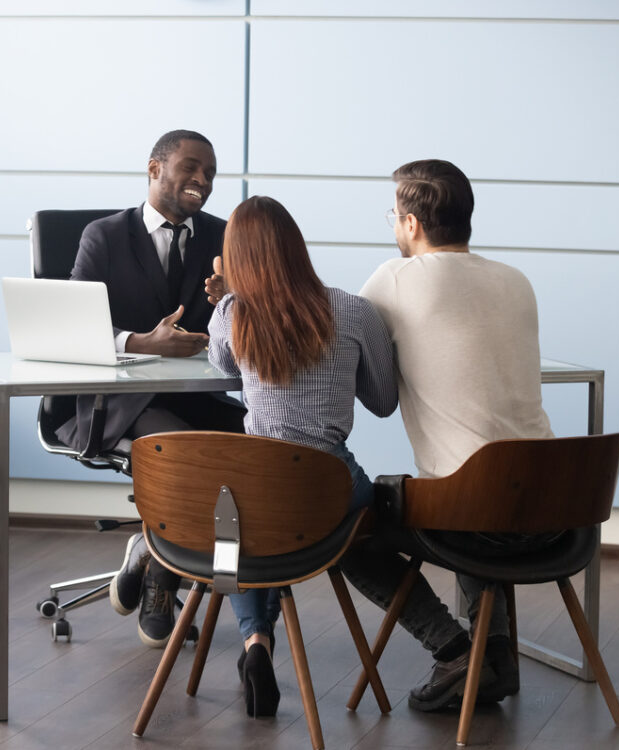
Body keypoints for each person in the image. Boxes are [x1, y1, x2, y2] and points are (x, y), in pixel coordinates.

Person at [341, 158, 555, 712]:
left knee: (344, 526)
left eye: (394, 215)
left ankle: (454, 648)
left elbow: (373, 390)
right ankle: (496, 656)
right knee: (475, 476)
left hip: (476, 518)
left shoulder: (393, 278)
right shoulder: (516, 279)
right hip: (555, 508)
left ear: (410, 224)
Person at [207, 195, 398, 717]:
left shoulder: (231, 314)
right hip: (330, 487)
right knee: (291, 522)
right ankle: (261, 642)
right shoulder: (355, 310)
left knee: (239, 530)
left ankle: (256, 645)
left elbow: (222, 366)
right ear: (297, 246)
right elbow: (384, 402)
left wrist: (227, 297)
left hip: (257, 487)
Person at [59, 130, 246, 649]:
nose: (202, 181)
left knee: (254, 453)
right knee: (185, 456)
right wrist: (143, 342)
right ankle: (163, 577)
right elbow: (75, 328)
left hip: (200, 395)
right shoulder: (104, 236)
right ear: (154, 168)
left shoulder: (223, 236)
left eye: (210, 172)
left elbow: (243, 331)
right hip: (119, 402)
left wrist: (233, 300)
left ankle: (151, 552)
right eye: (190, 167)